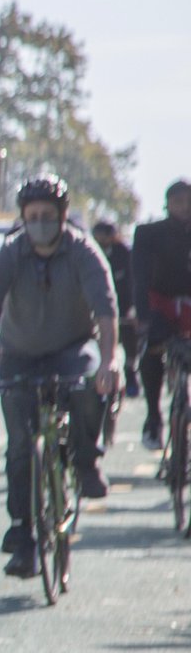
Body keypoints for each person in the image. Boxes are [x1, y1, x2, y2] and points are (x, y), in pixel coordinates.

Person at [0, 175, 119, 579]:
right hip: (20, 354)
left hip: (72, 348)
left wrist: (108, 362)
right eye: (31, 217)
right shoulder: (10, 253)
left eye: (47, 216)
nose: (39, 224)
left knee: (88, 386)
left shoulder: (83, 251)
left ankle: (86, 461)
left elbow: (105, 309)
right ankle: (23, 535)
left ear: (62, 217)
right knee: (19, 446)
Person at [132, 179, 191, 450]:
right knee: (151, 351)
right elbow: (140, 277)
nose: (184, 207)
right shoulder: (149, 233)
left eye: (188, 201)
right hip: (161, 306)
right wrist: (143, 317)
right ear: (167, 204)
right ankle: (153, 417)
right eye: (178, 201)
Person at [91, 219, 140, 400]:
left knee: (130, 338)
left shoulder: (124, 254)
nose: (100, 240)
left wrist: (134, 309)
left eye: (103, 236)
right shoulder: (91, 255)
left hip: (124, 307)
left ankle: (131, 370)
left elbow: (133, 283)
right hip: (99, 309)